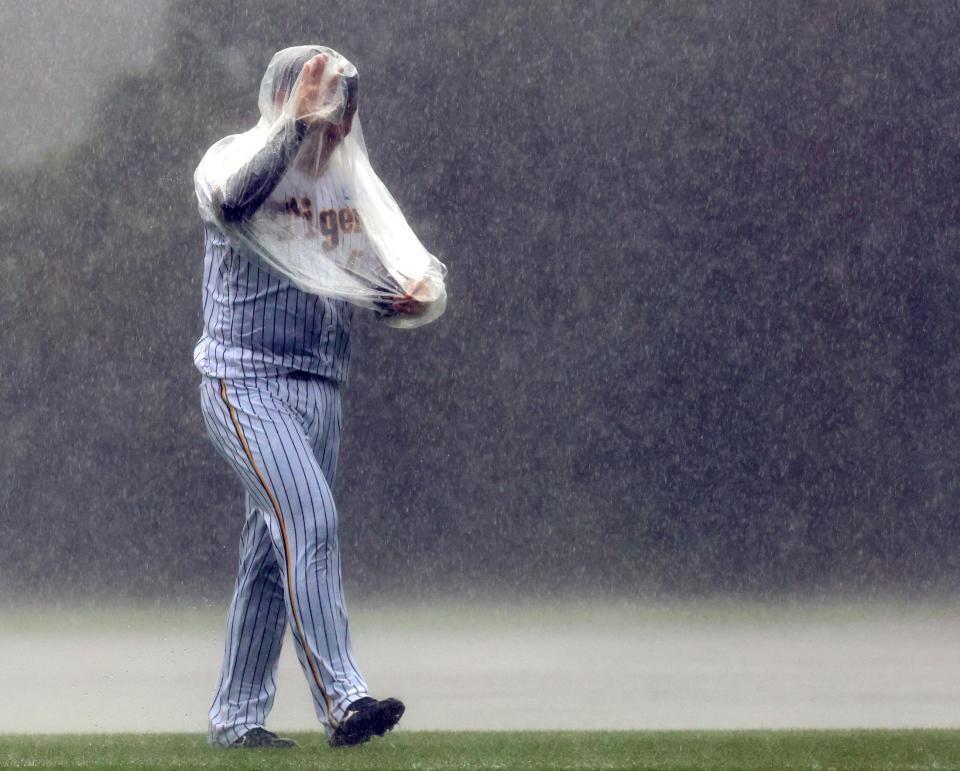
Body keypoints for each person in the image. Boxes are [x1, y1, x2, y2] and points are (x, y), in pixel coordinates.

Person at [193, 45, 439, 750]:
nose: (338, 118)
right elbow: (234, 200)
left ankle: (236, 720)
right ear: (287, 95)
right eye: (326, 100)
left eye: (343, 103)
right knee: (309, 519)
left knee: (272, 557)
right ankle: (345, 697)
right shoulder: (232, 157)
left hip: (321, 388)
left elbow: (368, 279)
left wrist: (406, 297)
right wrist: (295, 126)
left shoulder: (343, 188)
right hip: (246, 381)